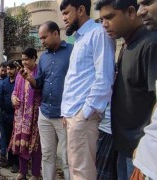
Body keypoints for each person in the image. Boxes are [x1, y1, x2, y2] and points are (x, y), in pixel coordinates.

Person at [96, 1, 157, 179]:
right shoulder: (127, 44)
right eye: (102, 19)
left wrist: (144, 150)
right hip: (124, 146)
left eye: (109, 17)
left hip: (141, 153)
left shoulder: (154, 43)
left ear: (131, 12)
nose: (104, 24)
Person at [59, 0, 115, 179]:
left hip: (83, 116)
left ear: (81, 10)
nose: (64, 18)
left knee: (82, 173)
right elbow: (77, 80)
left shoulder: (98, 33)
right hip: (73, 115)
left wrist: (83, 114)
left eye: (67, 13)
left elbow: (104, 79)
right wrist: (67, 113)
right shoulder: (80, 38)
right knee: (76, 169)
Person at [19, 22, 73, 180]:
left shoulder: (72, 51)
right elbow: (39, 83)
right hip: (45, 113)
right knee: (47, 155)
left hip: (65, 115)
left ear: (56, 33)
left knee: (68, 158)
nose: (41, 41)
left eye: (44, 37)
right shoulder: (44, 58)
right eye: (40, 38)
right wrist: (29, 78)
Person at [131, 0, 157, 179]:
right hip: (147, 163)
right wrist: (144, 142)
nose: (139, 12)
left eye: (147, 3)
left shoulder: (155, 44)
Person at [9, 48, 42, 180]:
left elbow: (41, 90)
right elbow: (15, 91)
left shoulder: (39, 72)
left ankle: (35, 174)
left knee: (34, 145)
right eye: (22, 59)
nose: (24, 62)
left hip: (34, 116)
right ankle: (22, 172)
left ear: (34, 58)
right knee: (21, 143)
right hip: (20, 116)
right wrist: (13, 98)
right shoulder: (19, 74)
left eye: (27, 59)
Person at [0, 60, 19, 173]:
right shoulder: (4, 82)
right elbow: (0, 97)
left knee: (15, 140)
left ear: (16, 69)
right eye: (8, 69)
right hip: (5, 115)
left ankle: (16, 163)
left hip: (17, 116)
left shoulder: (19, 82)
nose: (9, 71)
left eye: (12, 69)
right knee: (7, 138)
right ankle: (9, 161)